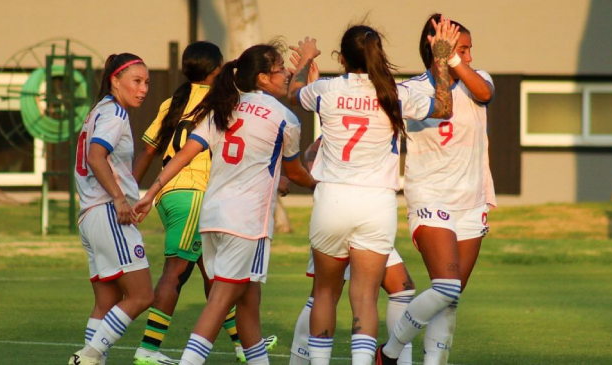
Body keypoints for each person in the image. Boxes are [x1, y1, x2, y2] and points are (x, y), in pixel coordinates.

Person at [287, 17, 459, 365]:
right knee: (364, 297)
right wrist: (440, 57)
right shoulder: (394, 93)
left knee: (324, 293)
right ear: (379, 55)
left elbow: (293, 94)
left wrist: (306, 59)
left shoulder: (327, 90)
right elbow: (444, 106)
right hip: (376, 204)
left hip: (333, 199)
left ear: (342, 57)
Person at [134, 42, 316, 365]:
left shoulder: (223, 108)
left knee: (248, 300)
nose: (285, 74)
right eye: (279, 70)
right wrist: (326, 182)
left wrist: (151, 191)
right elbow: (296, 172)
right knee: (220, 301)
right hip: (246, 223)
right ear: (262, 78)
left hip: (212, 216)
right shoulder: (284, 118)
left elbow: (184, 154)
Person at [376, 14, 496, 365]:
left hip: (471, 202)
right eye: (462, 49)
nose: (469, 57)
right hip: (429, 197)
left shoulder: (478, 82)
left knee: (451, 296)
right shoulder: (411, 90)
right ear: (436, 47)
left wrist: (453, 59)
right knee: (446, 286)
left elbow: (485, 92)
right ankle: (390, 352)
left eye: (470, 51)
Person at [289, 138, 416, 365]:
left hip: (362, 213)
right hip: (352, 208)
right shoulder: (377, 111)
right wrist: (319, 181)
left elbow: (311, 150)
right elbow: (312, 150)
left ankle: (393, 358)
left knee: (402, 288)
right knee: (325, 293)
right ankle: (298, 359)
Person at [70, 53, 153, 365]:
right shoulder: (115, 113)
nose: (143, 88)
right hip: (107, 212)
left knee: (106, 301)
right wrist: (120, 198)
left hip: (90, 216)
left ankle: (91, 361)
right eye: (136, 81)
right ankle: (87, 357)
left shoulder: (97, 112)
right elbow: (95, 156)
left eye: (147, 82)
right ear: (115, 81)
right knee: (142, 295)